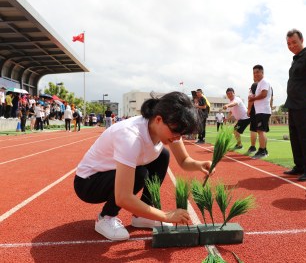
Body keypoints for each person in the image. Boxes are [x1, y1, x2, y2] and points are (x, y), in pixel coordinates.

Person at [74, 91, 213, 241]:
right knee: (140, 174)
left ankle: (141, 216)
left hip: (112, 173)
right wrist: (166, 216)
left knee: (163, 155)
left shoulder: (171, 128)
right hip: (88, 183)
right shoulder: (130, 137)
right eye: (175, 132)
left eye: (181, 134)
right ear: (159, 119)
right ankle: (106, 217)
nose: (177, 138)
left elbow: (184, 160)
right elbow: (123, 197)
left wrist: (200, 165)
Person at [283, 28, 306, 181]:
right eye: (289, 43)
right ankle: (299, 166)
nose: (291, 45)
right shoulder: (295, 59)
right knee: (295, 138)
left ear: (302, 40)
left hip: (304, 105)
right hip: (293, 105)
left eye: (294, 42)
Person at [247, 65, 273, 159]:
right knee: (261, 131)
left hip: (263, 110)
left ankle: (262, 151)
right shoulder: (260, 83)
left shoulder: (264, 82)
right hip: (261, 111)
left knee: (260, 131)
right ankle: (264, 150)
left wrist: (253, 98)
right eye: (254, 72)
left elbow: (264, 94)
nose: (255, 74)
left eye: (257, 72)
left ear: (262, 72)